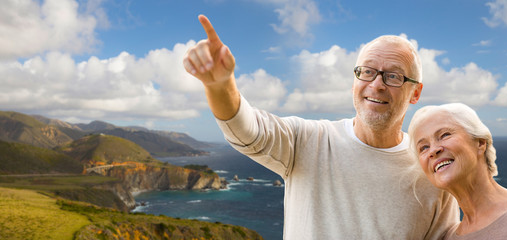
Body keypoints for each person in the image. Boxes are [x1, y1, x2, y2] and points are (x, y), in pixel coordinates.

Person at [183, 14, 459, 239]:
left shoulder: (434, 173)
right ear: (355, 79)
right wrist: (219, 85)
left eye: (394, 76)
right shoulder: (308, 140)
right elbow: (247, 129)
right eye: (367, 71)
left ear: (416, 93)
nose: (376, 84)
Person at [408, 103, 507, 240]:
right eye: (424, 148)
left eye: (445, 135)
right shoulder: (447, 237)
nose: (433, 150)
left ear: (480, 143)